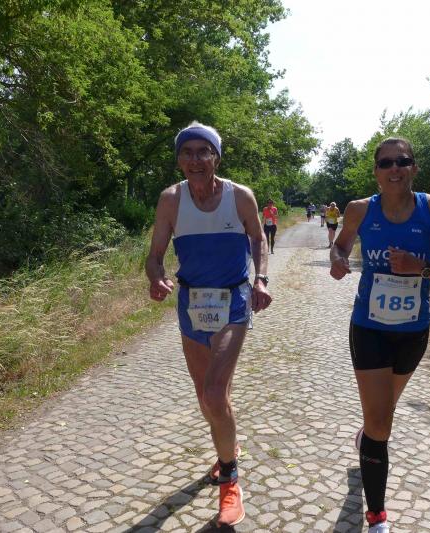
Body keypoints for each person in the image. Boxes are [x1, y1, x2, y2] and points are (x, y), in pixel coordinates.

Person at [329, 137, 430, 533]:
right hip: (369, 327)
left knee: (380, 416)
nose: (395, 168)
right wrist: (338, 262)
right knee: (381, 424)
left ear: (414, 168)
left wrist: (420, 267)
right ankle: (376, 516)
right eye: (386, 163)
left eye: (402, 161)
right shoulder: (359, 209)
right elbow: (339, 247)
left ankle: (367, 438)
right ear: (376, 172)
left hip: (413, 332)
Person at [145, 121, 272, 527]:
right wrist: (156, 277)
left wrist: (260, 278)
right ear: (179, 160)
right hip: (191, 304)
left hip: (233, 300)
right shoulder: (171, 200)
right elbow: (155, 255)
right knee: (208, 397)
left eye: (204, 151)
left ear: (216, 157)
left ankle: (230, 481)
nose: (196, 159)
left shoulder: (239, 196)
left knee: (216, 393)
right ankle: (226, 451)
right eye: (188, 152)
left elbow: (258, 238)